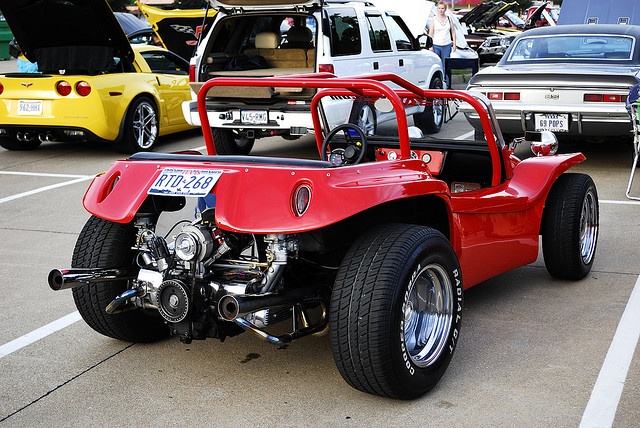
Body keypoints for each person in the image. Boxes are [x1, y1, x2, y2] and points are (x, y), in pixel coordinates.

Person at [427, 1, 456, 88]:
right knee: (437, 64)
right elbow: (431, 33)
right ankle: (437, 83)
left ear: (445, 9)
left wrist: (454, 43)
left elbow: (453, 32)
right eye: (439, 8)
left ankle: (447, 84)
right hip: (436, 45)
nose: (441, 10)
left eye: (442, 8)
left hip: (446, 45)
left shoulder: (448, 19)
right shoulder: (434, 19)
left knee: (446, 65)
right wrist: (430, 46)